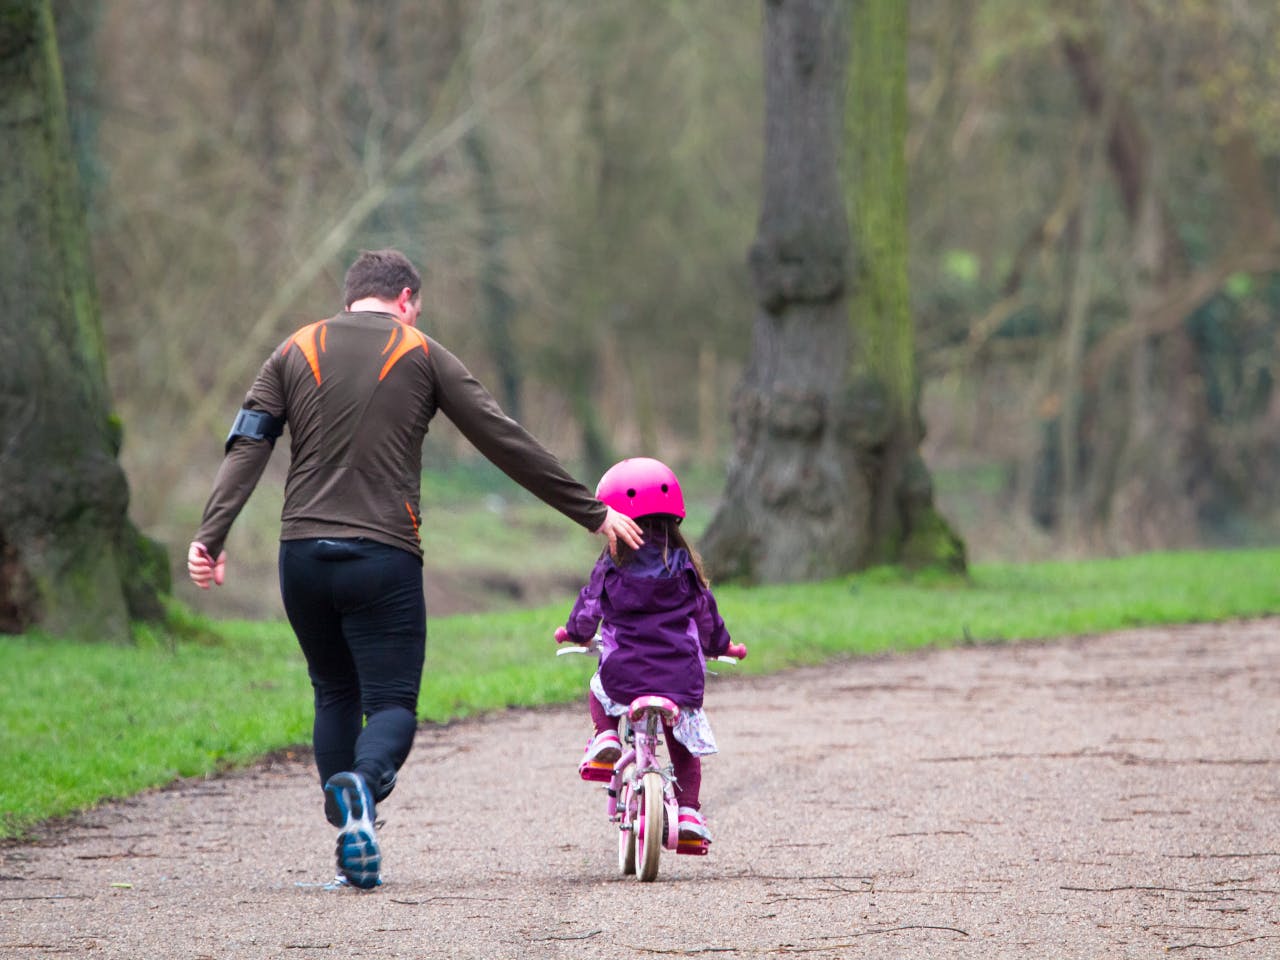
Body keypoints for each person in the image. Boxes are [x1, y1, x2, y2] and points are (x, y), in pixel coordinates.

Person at [186, 248, 641, 889]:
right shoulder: (420, 351)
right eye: (416, 308)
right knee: (393, 703)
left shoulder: (293, 349)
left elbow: (247, 443)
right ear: (405, 300)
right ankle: (363, 790)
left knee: (333, 691)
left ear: (350, 298)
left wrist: (211, 534)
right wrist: (591, 513)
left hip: (303, 557)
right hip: (383, 555)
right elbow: (500, 437)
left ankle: (351, 836)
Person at [554, 457, 746, 845]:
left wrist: (574, 633)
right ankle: (689, 811)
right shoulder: (686, 566)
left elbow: (590, 605)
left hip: (624, 673)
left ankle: (606, 737)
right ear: (674, 517)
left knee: (598, 690)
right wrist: (723, 646)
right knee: (683, 744)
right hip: (681, 677)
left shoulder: (611, 564)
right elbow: (706, 615)